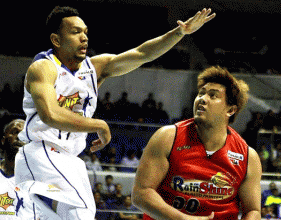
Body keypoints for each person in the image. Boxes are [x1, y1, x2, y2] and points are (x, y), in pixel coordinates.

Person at [14, 5, 216, 220]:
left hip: (70, 158)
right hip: (42, 151)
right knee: (80, 211)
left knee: (69, 215)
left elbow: (141, 54)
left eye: (85, 32)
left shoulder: (94, 68)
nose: (84, 38)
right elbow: (50, 115)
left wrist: (180, 32)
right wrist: (100, 125)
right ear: (56, 40)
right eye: (75, 32)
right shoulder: (44, 67)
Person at [132, 66, 262, 220]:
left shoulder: (247, 157)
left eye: (213, 96)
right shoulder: (167, 138)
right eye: (201, 93)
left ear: (230, 110)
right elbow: (141, 194)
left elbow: (253, 211)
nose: (202, 99)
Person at [0, 119, 40, 219]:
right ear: (3, 140)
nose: (19, 137)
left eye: (24, 135)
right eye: (15, 132)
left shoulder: (40, 178)